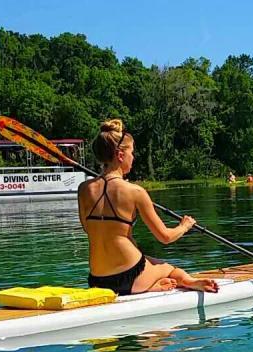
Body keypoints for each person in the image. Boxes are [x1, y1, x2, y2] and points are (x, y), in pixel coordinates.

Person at [78, 119, 219, 295]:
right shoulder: (135, 191)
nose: (133, 157)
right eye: (132, 152)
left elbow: (87, 228)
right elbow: (165, 237)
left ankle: (150, 285)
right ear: (120, 155)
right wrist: (184, 226)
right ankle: (189, 282)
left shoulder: (84, 189)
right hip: (130, 275)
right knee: (168, 268)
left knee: (150, 260)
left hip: (97, 279)